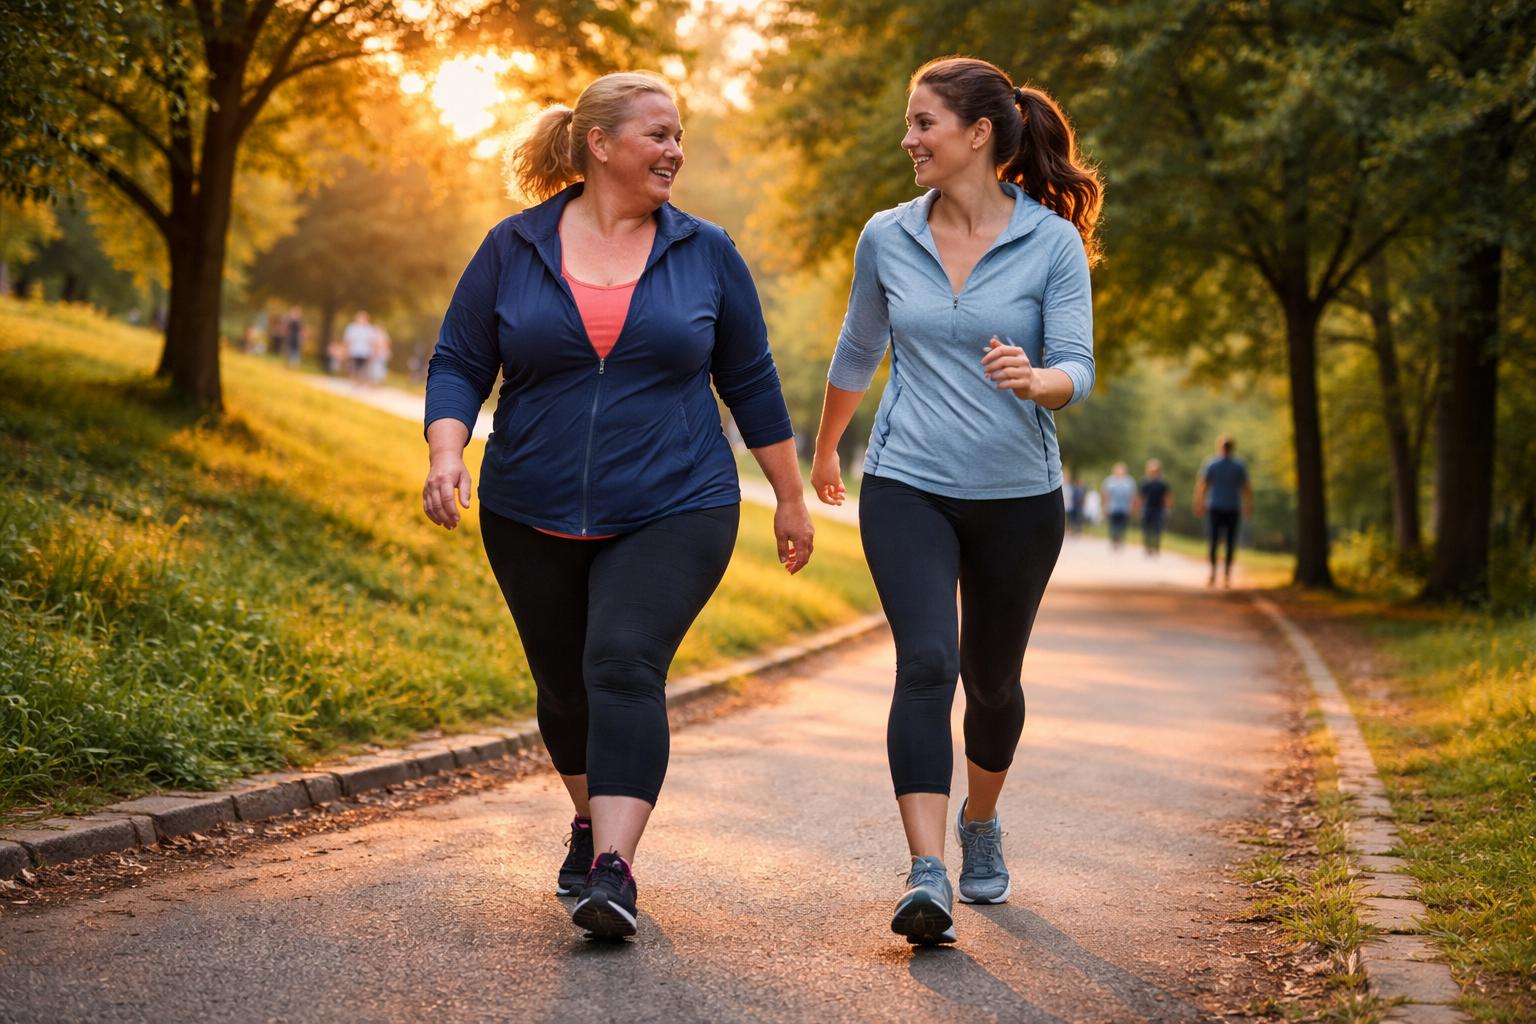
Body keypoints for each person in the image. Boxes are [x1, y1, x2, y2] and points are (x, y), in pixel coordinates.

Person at [422, 71, 813, 942]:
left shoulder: (705, 250)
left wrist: (790, 497)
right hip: (529, 502)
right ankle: (587, 819)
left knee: (624, 662)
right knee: (563, 688)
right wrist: (448, 451)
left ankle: (614, 868)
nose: (675, 151)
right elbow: (458, 359)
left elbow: (749, 380)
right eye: (658, 135)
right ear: (599, 145)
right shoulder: (514, 245)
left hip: (677, 500)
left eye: (680, 138)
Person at [810, 56, 1101, 946]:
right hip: (907, 483)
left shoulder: (1050, 242)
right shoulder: (886, 236)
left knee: (992, 682)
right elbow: (858, 350)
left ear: (979, 134)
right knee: (927, 662)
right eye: (910, 122)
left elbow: (1079, 368)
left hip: (1017, 494)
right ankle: (926, 869)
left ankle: (982, 821)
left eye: (924, 122)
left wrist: (1038, 378)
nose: (909, 139)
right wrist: (824, 449)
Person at [1194, 434, 1252, 587]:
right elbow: (1246, 488)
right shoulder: (1236, 465)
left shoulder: (1214, 463)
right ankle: (1222, 574)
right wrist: (1248, 506)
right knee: (1226, 542)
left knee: (1217, 541)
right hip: (1225, 507)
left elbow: (1202, 486)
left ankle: (1218, 573)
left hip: (1221, 507)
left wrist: (1199, 503)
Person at [1137, 459, 1172, 556]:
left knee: (1157, 529)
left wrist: (1167, 509)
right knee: (1146, 529)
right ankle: (1147, 547)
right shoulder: (1145, 482)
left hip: (1159, 509)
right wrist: (1140, 508)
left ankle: (1156, 546)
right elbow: (1141, 497)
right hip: (1147, 508)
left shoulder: (1163, 483)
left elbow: (1167, 497)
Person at [1100, 462, 1136, 550]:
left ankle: (1120, 539)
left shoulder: (1129, 481)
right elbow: (1105, 494)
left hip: (1124, 507)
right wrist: (1105, 506)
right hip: (1113, 507)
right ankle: (1114, 540)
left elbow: (1132, 496)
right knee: (1113, 524)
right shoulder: (1109, 481)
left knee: (1122, 525)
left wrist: (1131, 506)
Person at [343, 310, 376, 385]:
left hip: (365, 352)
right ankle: (354, 381)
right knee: (353, 367)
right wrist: (346, 350)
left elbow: (372, 342)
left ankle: (360, 381)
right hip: (354, 351)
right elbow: (347, 340)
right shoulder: (351, 328)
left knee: (364, 368)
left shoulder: (369, 329)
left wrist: (373, 351)